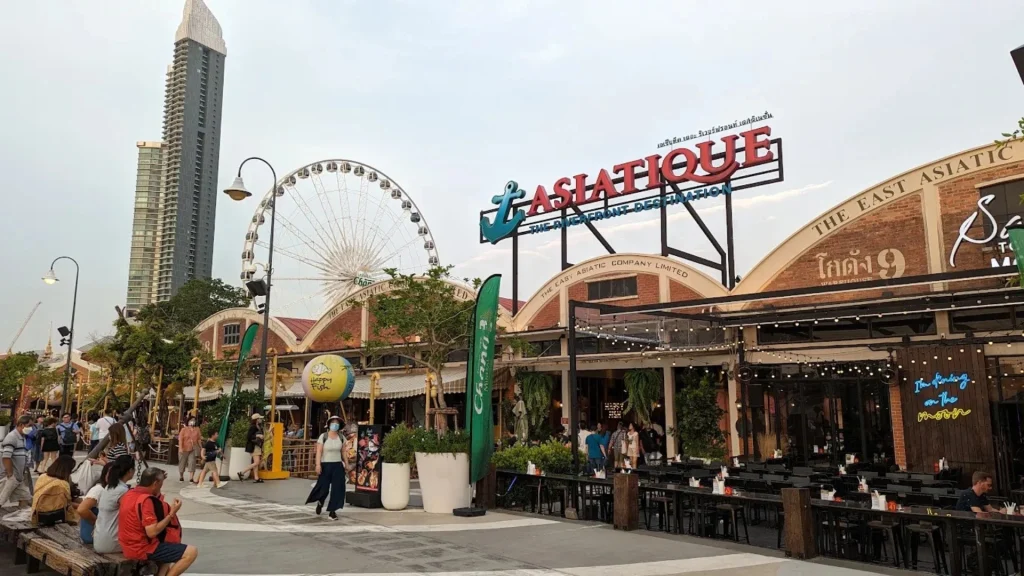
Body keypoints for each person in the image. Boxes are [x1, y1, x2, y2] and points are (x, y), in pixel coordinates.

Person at [118, 468, 197, 576]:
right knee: (191, 552)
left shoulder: (129, 494)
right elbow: (152, 532)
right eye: (161, 484)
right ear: (155, 483)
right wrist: (172, 513)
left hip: (128, 544)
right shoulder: (146, 501)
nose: (161, 486)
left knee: (170, 545)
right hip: (141, 548)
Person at [305, 415, 346, 519]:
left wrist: (347, 463)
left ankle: (332, 511)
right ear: (329, 425)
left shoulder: (342, 437)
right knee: (323, 488)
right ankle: (320, 501)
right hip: (325, 465)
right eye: (333, 423)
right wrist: (318, 465)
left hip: (337, 465)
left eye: (337, 423)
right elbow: (319, 451)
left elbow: (343, 452)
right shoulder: (323, 436)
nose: (335, 425)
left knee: (338, 488)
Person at [93, 455, 135, 554]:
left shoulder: (109, 487)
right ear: (130, 471)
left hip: (99, 538)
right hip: (110, 543)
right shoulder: (122, 491)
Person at [32, 455, 77, 526]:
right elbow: (68, 502)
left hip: (36, 513)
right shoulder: (63, 484)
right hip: (52, 515)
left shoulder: (42, 476)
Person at [78, 460, 116, 544]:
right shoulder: (99, 490)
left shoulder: (113, 490)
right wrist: (97, 523)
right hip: (92, 535)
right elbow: (82, 510)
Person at [0, 415, 33, 507]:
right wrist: (10, 474)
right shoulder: (12, 437)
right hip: (11, 476)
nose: (31, 428)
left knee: (25, 497)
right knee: (1, 499)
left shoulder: (22, 437)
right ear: (22, 425)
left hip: (18, 477)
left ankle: (21, 516)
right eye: (29, 425)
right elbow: (6, 457)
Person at [238, 414, 264, 483]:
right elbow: (249, 437)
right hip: (254, 446)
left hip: (256, 446)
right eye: (259, 418)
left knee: (256, 463)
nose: (260, 419)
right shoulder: (253, 427)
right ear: (256, 419)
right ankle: (242, 472)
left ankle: (256, 478)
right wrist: (258, 435)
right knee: (257, 462)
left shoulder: (257, 426)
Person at [177, 418, 201, 483]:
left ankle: (191, 478)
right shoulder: (184, 429)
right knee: (182, 462)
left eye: (194, 420)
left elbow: (199, 439)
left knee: (192, 462)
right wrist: (181, 448)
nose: (193, 421)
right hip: (184, 448)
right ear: (188, 421)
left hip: (193, 448)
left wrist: (201, 447)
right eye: (191, 420)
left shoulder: (197, 429)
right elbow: (180, 439)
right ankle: (181, 476)